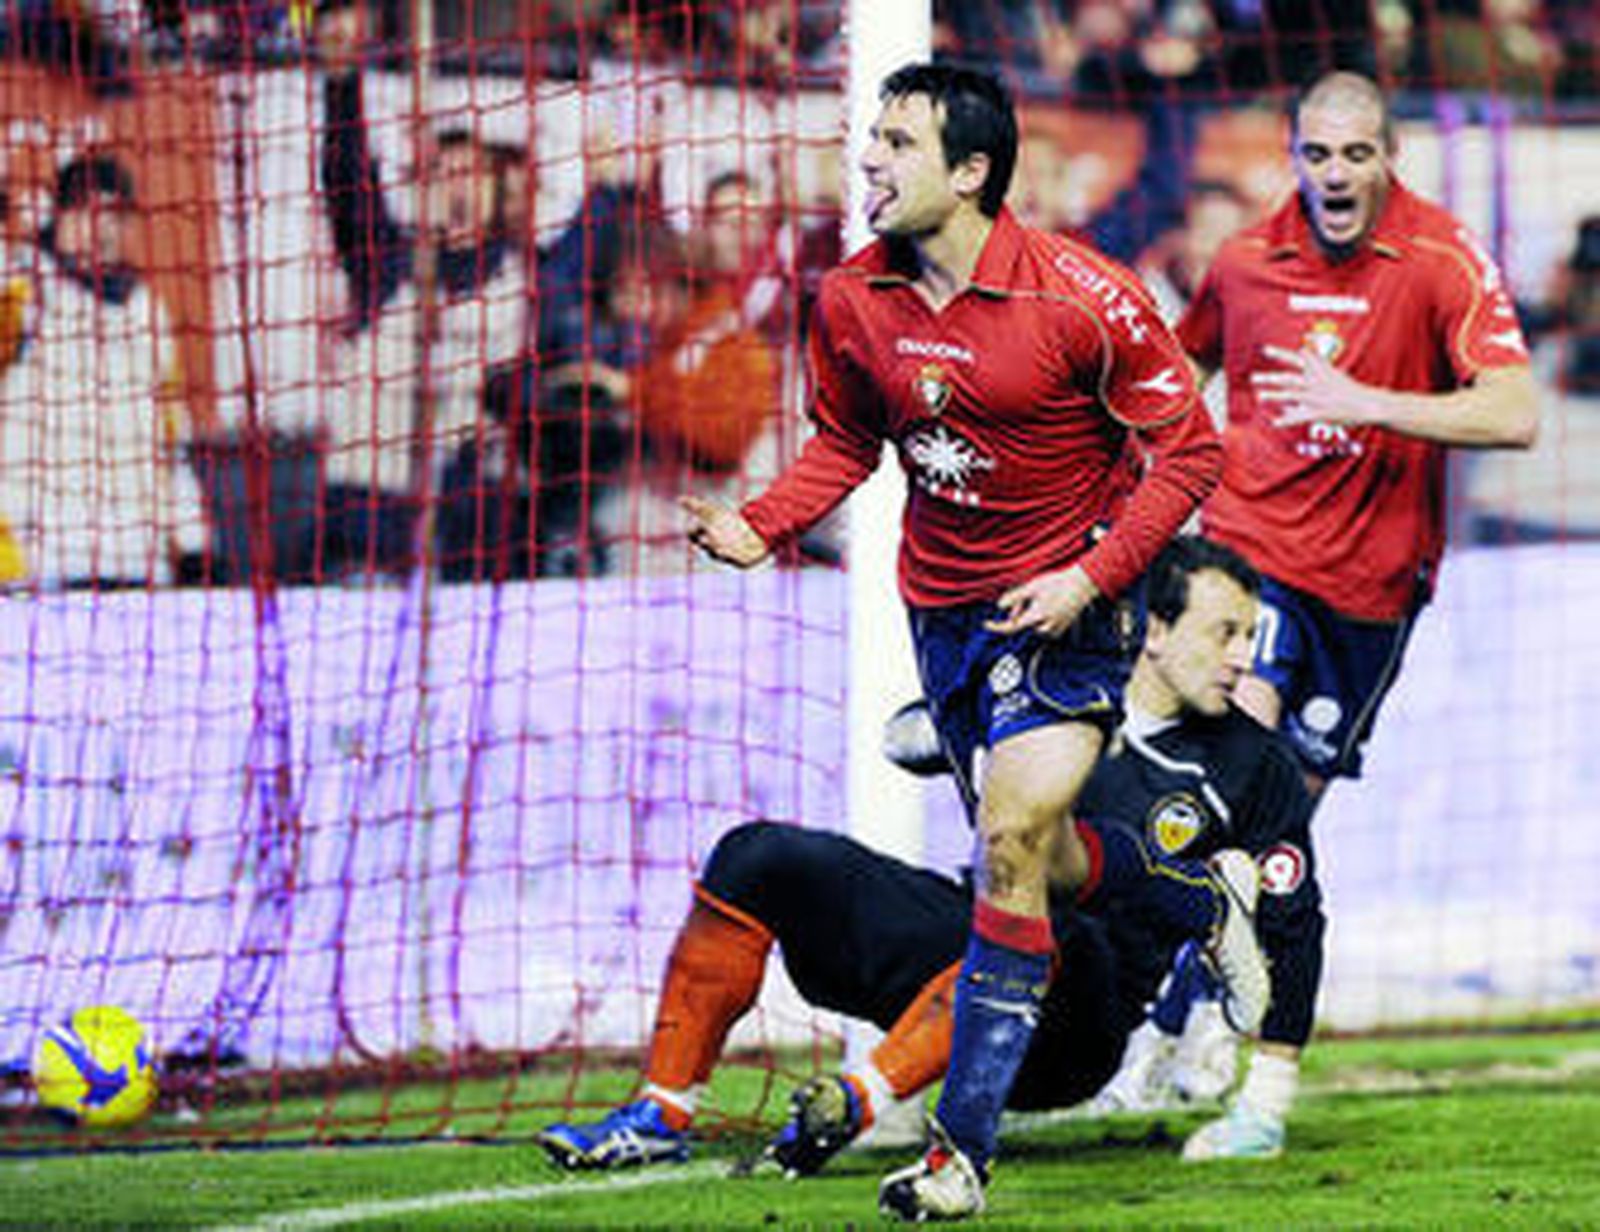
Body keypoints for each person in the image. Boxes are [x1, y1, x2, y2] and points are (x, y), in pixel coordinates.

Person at [681, 63, 1245, 1221]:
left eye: (896, 140)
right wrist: (760, 524)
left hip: (1073, 619)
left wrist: (1087, 576)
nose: (869, 159)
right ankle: (1192, 897)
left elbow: (1192, 455)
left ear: (971, 170)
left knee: (1007, 835)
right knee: (1030, 857)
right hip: (944, 619)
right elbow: (845, 443)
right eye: (869, 136)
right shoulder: (850, 299)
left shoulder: (1084, 295)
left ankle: (957, 1155)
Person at [536, 536, 1321, 1196]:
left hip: (1080, 1027)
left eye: (1249, 637)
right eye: (1225, 634)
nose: (1242, 660)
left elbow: (1296, 926)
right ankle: (659, 1114)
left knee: (1061, 928)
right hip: (966, 943)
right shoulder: (1056, 700)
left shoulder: (1255, 767)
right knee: (758, 856)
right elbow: (914, 739)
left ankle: (859, 1099)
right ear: (1153, 629)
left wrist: (1268, 1102)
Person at [1171, 69, 1538, 1159]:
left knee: (1284, 808)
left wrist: (1367, 405)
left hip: (1371, 586)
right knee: (1226, 754)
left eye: (1356, 155)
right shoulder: (1243, 259)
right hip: (1251, 555)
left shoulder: (1438, 259)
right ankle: (1174, 1019)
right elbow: (1177, 365)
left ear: (1388, 157)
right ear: (1291, 153)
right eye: (1317, 154)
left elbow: (1515, 412)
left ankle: (1195, 1004)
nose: (1335, 175)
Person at [314, 0, 527, 580]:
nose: (459, 192)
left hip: (466, 522)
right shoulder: (388, 263)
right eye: (444, 175)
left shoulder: (520, 281)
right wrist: (341, 82)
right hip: (371, 512)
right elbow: (346, 180)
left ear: (495, 190)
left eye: (472, 176)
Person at [0, 153, 210, 589]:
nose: (101, 228)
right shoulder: (23, 288)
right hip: (35, 567)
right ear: (58, 216)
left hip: (135, 564)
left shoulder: (145, 310)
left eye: (115, 215)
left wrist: (194, 542)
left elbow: (173, 444)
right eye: (85, 211)